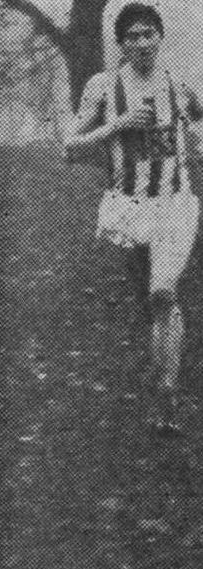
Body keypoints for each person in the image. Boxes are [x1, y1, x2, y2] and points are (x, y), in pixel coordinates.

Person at [65, 2, 203, 430]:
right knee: (150, 303)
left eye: (148, 34)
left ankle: (168, 391)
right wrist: (117, 124)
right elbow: (69, 145)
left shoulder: (179, 84)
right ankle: (161, 375)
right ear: (121, 44)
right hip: (130, 209)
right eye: (132, 37)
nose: (142, 43)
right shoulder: (103, 87)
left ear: (159, 37)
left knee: (163, 293)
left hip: (174, 204)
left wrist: (195, 142)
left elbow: (198, 126)